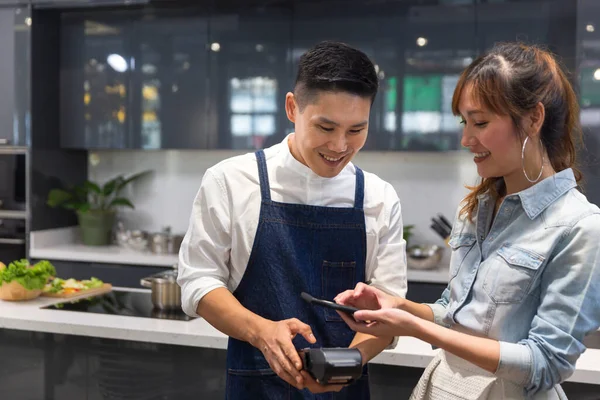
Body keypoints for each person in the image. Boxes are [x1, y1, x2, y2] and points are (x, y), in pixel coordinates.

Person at [336, 42, 600, 400]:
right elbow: (453, 311)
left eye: (480, 122)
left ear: (534, 118)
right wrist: (398, 307)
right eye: (465, 122)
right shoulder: (478, 209)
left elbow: (544, 363)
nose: (466, 139)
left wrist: (416, 328)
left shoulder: (580, 226)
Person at [177, 41, 407, 399]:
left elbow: (391, 305)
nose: (340, 146)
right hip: (255, 384)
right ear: (292, 108)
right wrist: (260, 332)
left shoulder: (378, 197)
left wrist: (349, 361)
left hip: (344, 390)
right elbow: (198, 282)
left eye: (356, 130)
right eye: (326, 128)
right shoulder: (231, 181)